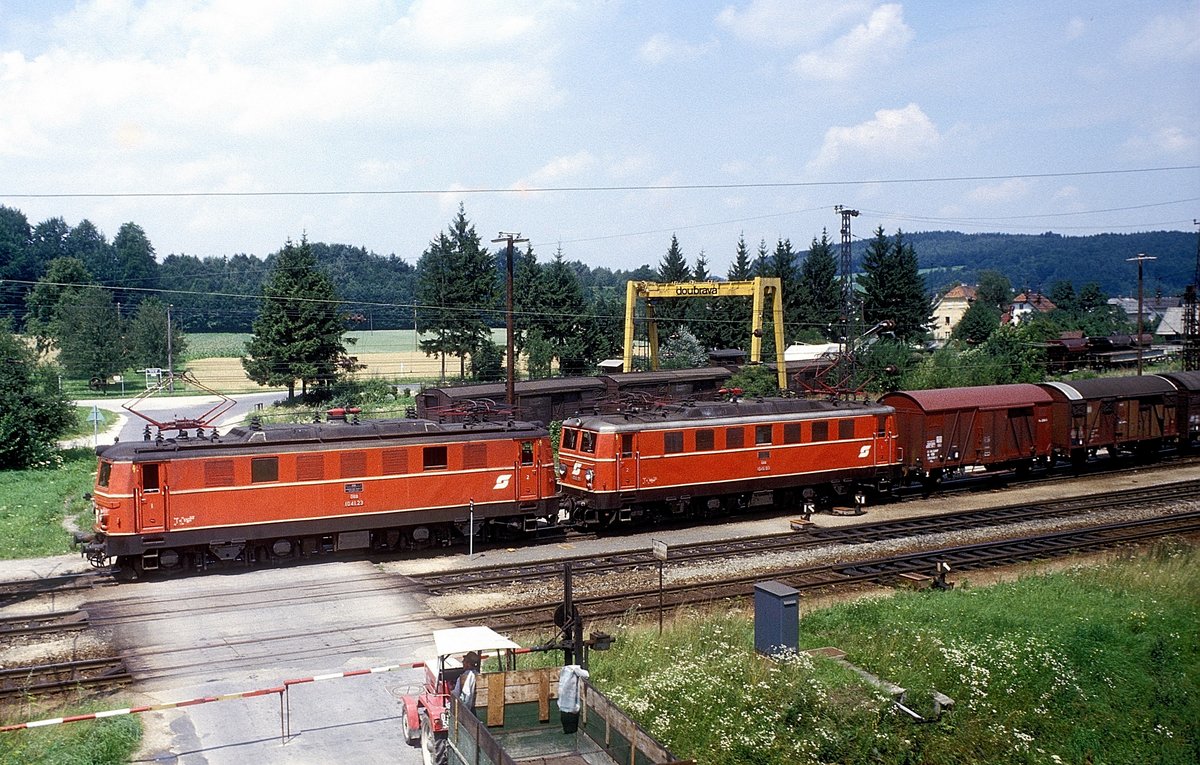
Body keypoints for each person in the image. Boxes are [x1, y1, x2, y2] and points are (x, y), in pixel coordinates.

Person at [557, 664, 590, 733]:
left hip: (564, 708)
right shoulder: (574, 671)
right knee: (571, 727)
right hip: (571, 709)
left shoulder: (564, 673)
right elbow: (586, 675)